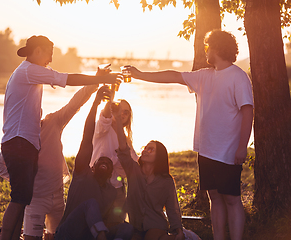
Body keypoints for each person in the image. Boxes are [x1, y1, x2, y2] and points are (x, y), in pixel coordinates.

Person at [124, 30, 254, 240]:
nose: (206, 50)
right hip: (206, 151)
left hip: (228, 152)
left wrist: (242, 147)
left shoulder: (238, 77)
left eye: (208, 46)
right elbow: (173, 76)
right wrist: (139, 74)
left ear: (218, 48)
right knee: (215, 199)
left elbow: (248, 111)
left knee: (231, 199)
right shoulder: (204, 75)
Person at [0, 35, 120, 240]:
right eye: (49, 54)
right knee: (19, 199)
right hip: (18, 142)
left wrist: (96, 79)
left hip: (23, 144)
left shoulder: (29, 77)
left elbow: (74, 102)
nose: (50, 60)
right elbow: (66, 79)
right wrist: (100, 79)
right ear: (38, 51)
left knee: (21, 198)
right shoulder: (28, 70)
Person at [0, 84, 99, 240]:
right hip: (35, 199)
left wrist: (93, 84)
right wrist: (24, 181)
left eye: (36, 111)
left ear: (40, 112)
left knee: (57, 236)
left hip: (58, 195)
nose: (34, 116)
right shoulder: (19, 137)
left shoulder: (53, 122)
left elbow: (74, 104)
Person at [54, 86, 133, 240]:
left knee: (126, 228)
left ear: (112, 172)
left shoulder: (110, 191)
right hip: (67, 234)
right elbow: (87, 135)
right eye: (100, 160)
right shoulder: (83, 174)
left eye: (108, 163)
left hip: (89, 236)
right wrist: (96, 103)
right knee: (91, 204)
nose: (105, 161)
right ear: (92, 166)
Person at [113, 106, 184, 240]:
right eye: (145, 148)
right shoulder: (133, 170)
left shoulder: (166, 181)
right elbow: (123, 149)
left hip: (156, 224)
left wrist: (178, 230)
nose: (145, 151)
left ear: (159, 157)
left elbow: (172, 208)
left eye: (151, 150)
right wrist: (117, 119)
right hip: (135, 225)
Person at [90, 95, 138, 227]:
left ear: (129, 116)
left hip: (118, 188)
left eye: (126, 112)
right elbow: (105, 115)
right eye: (119, 109)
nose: (122, 114)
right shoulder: (102, 128)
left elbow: (134, 164)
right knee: (97, 224)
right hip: (99, 185)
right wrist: (111, 90)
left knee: (116, 225)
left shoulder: (126, 139)